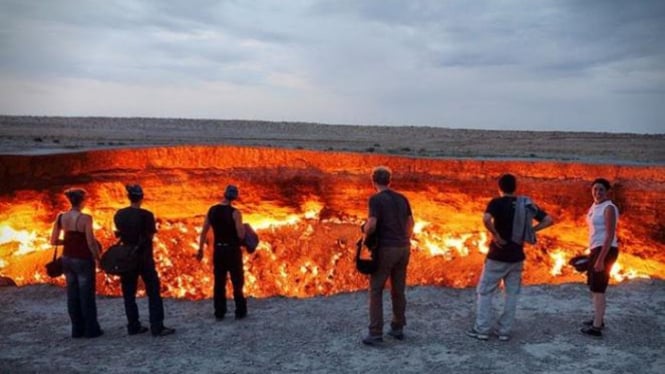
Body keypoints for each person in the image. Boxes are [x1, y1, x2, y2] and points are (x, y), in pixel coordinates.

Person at [467, 173, 554, 341]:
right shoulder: (525, 203)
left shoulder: (496, 203)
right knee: (511, 294)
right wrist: (530, 231)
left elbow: (486, 219)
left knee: (485, 292)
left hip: (497, 256)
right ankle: (504, 331)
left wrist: (495, 234)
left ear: (499, 188)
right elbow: (549, 220)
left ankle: (482, 329)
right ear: (515, 187)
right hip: (516, 257)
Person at [361, 166, 414, 345]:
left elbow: (372, 224)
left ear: (373, 181)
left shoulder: (376, 199)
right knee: (398, 290)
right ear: (389, 181)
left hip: (386, 249)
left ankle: (375, 333)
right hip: (404, 248)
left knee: (376, 290)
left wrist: (365, 234)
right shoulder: (402, 198)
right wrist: (404, 238)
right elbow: (410, 223)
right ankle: (398, 327)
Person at [114, 184, 175, 337]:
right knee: (153, 292)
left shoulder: (119, 214)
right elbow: (150, 236)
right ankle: (157, 326)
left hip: (127, 258)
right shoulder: (147, 215)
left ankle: (133, 326)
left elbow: (119, 233)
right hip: (144, 258)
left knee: (129, 294)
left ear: (129, 197)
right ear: (141, 197)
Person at [50, 188, 103, 338]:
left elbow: (53, 241)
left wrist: (68, 241)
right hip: (83, 259)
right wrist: (98, 258)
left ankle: (77, 329)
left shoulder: (61, 217)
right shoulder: (86, 218)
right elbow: (91, 242)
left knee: (72, 295)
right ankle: (91, 330)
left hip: (67, 259)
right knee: (86, 295)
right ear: (82, 201)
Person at [197, 185, 247, 320]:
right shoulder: (235, 213)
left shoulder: (212, 210)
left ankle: (219, 312)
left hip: (218, 250)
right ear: (235, 197)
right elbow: (240, 234)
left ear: (224, 195)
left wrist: (200, 249)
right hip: (232, 251)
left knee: (219, 282)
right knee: (237, 281)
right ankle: (240, 311)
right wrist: (245, 231)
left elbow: (204, 231)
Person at [581, 178, 619, 338]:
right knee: (594, 286)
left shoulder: (609, 208)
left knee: (599, 288)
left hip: (606, 249)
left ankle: (597, 327)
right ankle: (598, 318)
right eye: (595, 189)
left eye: (601, 190)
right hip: (596, 248)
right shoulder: (594, 205)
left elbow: (610, 235)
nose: (597, 192)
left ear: (607, 191)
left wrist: (600, 259)